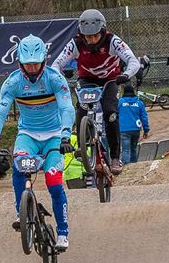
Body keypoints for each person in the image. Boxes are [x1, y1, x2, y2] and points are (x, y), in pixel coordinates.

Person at [0, 34, 75, 250]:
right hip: (27, 135)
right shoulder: (13, 82)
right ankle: (21, 212)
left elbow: (67, 108)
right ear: (20, 62)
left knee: (54, 183)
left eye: (36, 64)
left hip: (54, 136)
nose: (32, 69)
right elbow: (0, 111)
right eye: (27, 64)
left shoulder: (55, 79)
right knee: (19, 169)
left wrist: (65, 136)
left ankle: (63, 232)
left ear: (44, 60)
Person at [52, 9, 142, 176]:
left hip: (111, 79)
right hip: (87, 79)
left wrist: (125, 75)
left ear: (102, 31)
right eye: (88, 37)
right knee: (81, 107)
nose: (92, 40)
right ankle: (82, 145)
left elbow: (133, 61)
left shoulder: (113, 41)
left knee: (110, 113)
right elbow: (56, 65)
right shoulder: (75, 44)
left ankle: (115, 157)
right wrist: (60, 78)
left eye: (95, 36)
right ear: (82, 34)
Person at [118, 85, 151, 164]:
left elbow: (115, 115)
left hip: (124, 129)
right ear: (133, 92)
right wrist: (146, 130)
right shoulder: (139, 103)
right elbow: (144, 117)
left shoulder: (120, 102)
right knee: (133, 149)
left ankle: (126, 165)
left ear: (124, 92)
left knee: (125, 150)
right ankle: (134, 165)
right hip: (136, 129)